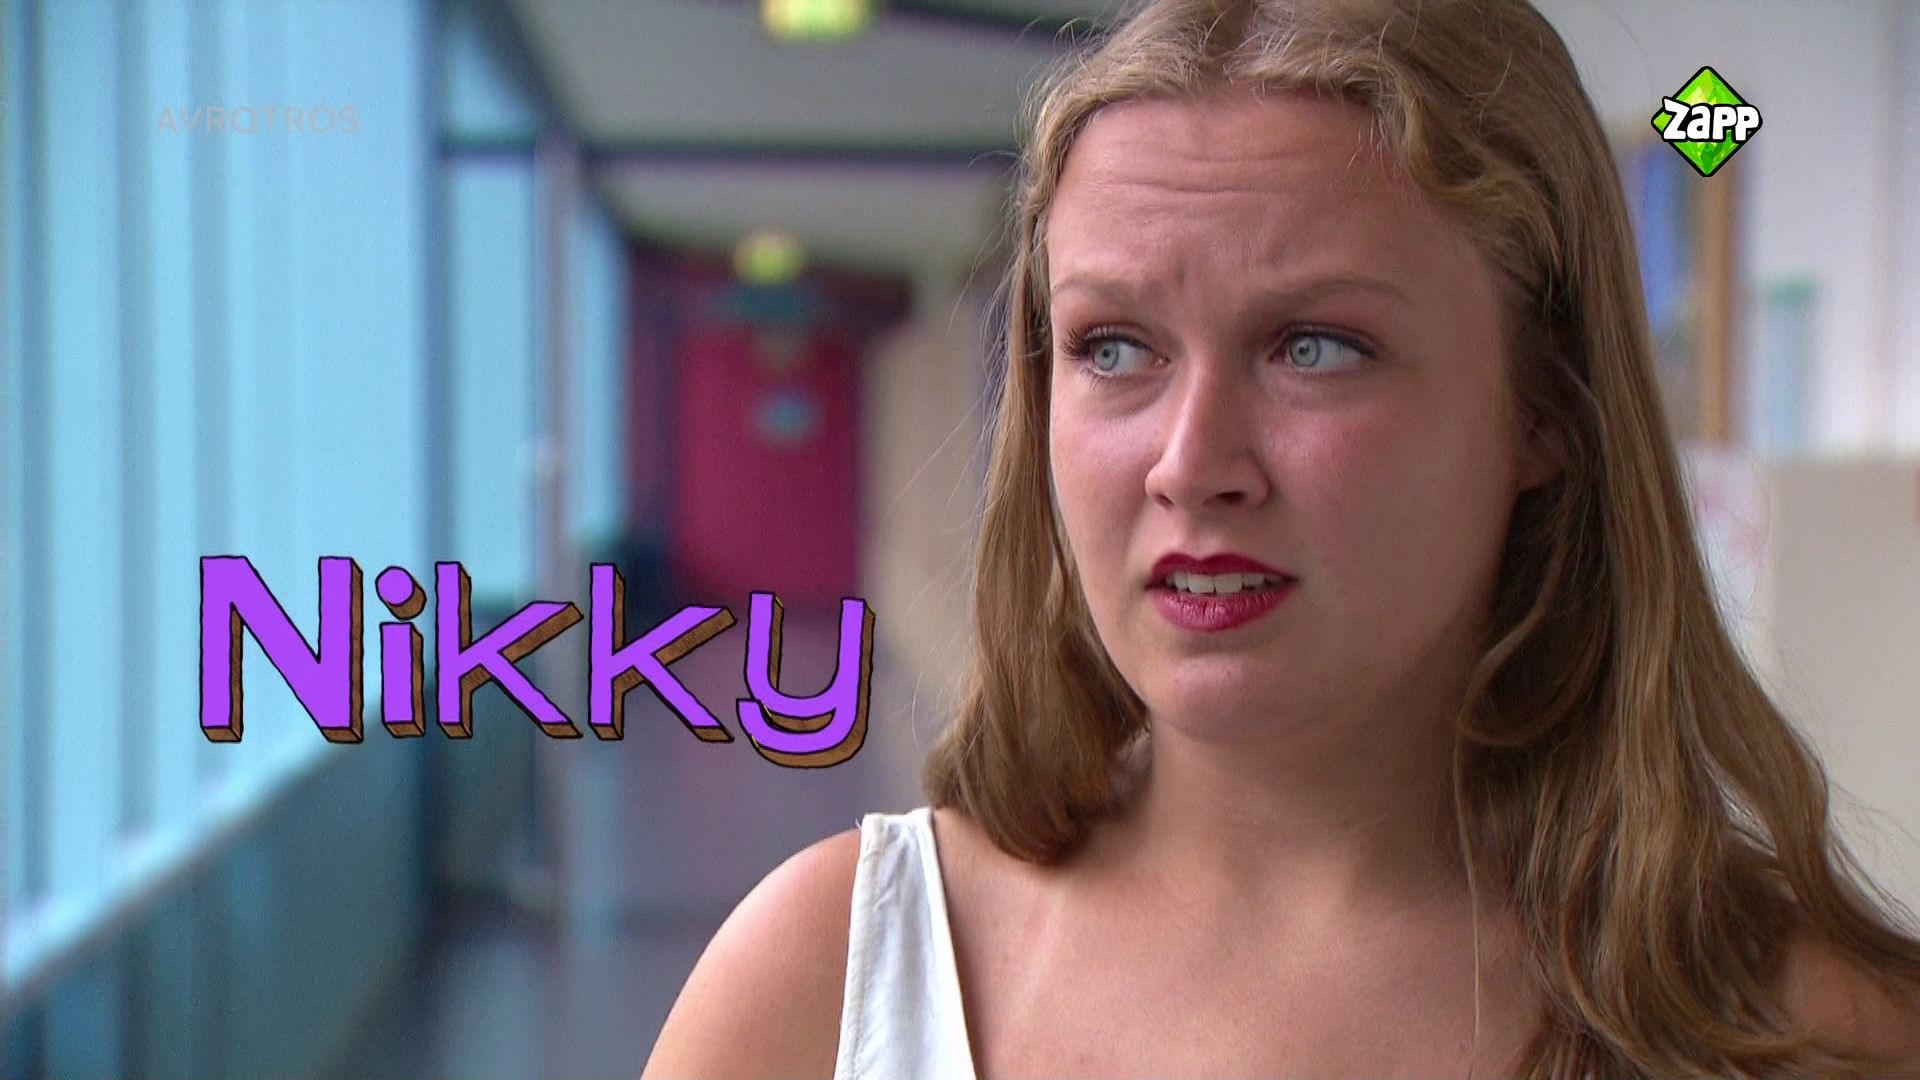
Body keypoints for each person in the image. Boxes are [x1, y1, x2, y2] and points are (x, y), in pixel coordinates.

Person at [643, 0, 1920, 1076]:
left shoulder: (1811, 1035)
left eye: (1315, 346)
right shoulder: (824, 987)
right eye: (1114, 348)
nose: (1191, 464)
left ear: (1546, 410)